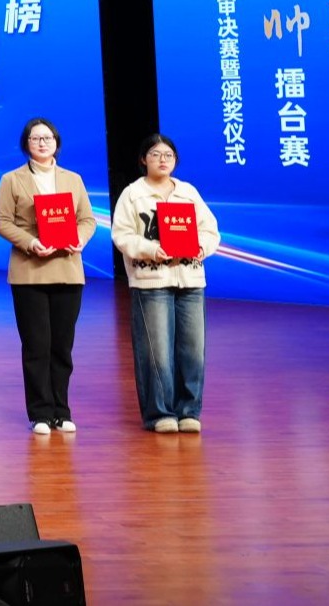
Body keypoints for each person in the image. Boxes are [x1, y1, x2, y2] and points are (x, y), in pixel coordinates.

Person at [110, 133, 220, 434]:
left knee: (193, 350)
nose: (162, 160)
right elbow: (121, 235)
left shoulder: (188, 192)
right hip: (151, 280)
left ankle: (189, 411)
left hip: (190, 279)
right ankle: (159, 413)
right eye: (156, 154)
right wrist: (151, 249)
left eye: (168, 155)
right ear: (143, 159)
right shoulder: (133, 194)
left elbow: (210, 231)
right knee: (156, 351)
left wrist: (201, 247)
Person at [0, 117, 96, 435]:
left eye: (47, 137)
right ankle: (40, 412)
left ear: (56, 143)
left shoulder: (73, 179)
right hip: (30, 272)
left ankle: (61, 411)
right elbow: (2, 221)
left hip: (67, 269)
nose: (42, 142)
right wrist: (30, 242)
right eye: (35, 138)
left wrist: (80, 238)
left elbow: (87, 219)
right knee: (36, 345)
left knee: (62, 346)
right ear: (26, 144)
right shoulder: (12, 179)